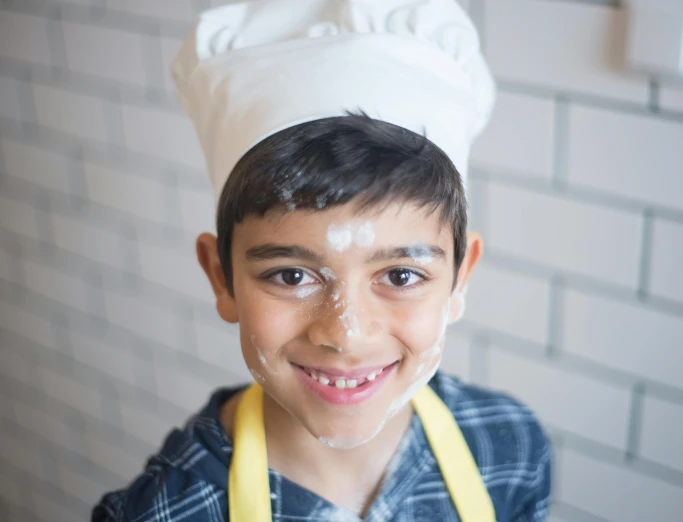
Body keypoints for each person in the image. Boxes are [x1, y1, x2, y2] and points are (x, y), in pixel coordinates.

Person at [92, 0, 551, 520]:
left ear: (460, 277)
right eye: (292, 276)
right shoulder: (162, 513)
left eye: (401, 275)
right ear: (222, 278)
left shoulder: (509, 448)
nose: (346, 333)